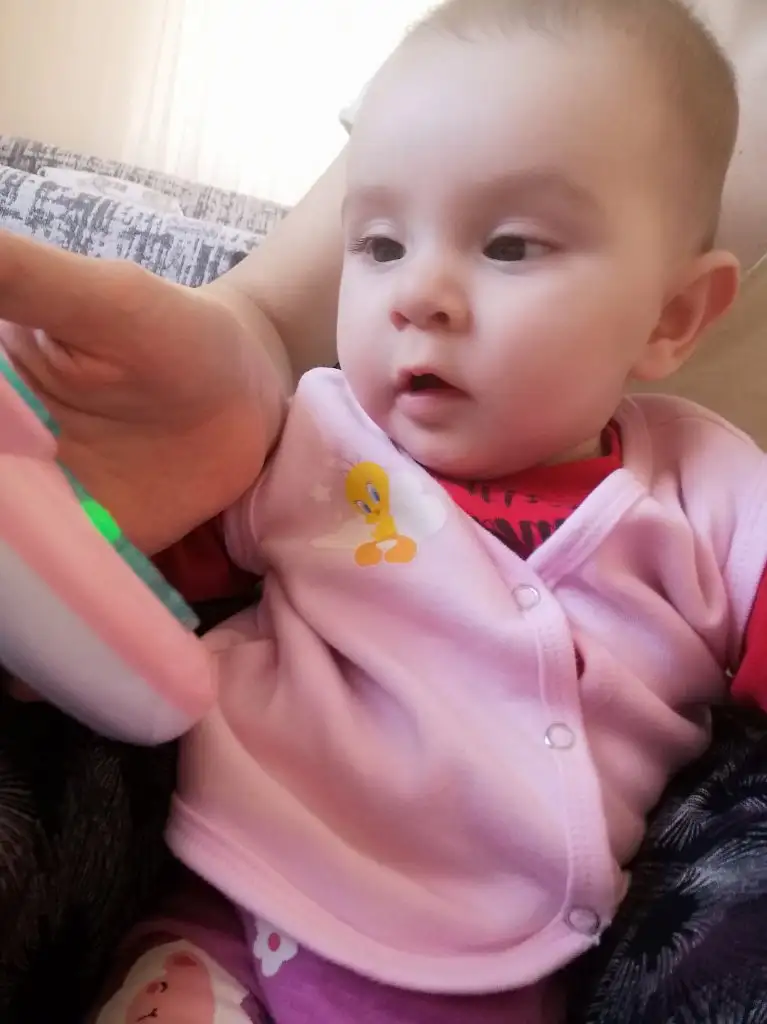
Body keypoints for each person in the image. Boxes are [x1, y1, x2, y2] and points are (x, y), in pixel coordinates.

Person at [3, 2, 767, 1023]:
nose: (418, 295)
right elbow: (123, 584)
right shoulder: (315, 438)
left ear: (670, 316)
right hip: (229, 908)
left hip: (491, 975)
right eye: (377, 243)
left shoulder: (708, 486)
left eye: (508, 246)